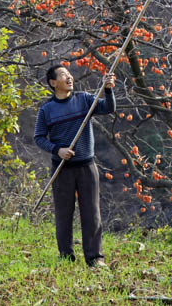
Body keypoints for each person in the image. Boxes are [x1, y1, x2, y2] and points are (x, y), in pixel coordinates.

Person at [34, 65, 116, 266]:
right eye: (63, 75)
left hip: (87, 166)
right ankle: (66, 256)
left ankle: (95, 257)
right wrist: (57, 150)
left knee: (91, 212)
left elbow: (108, 108)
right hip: (62, 169)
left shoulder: (85, 99)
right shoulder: (46, 110)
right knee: (64, 214)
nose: (69, 77)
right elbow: (39, 138)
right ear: (53, 83)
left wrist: (108, 89)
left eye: (69, 74)